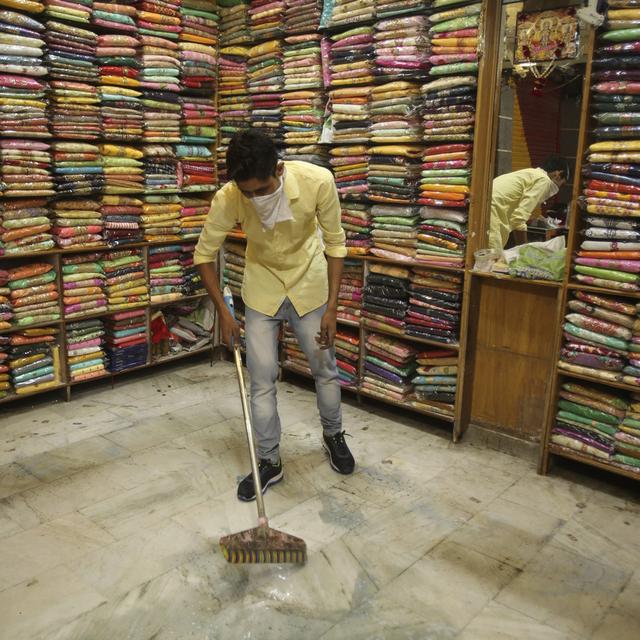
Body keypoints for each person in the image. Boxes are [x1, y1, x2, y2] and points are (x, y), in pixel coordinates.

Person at [194, 129, 355, 502]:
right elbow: (203, 255)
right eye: (247, 192)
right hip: (262, 290)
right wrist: (224, 313)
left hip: (310, 287)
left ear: (278, 170)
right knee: (261, 380)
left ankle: (333, 436)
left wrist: (332, 307)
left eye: (261, 190)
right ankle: (269, 460)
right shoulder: (231, 196)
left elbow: (335, 243)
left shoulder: (317, 182)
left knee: (324, 369)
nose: (254, 198)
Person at [488, 155, 569, 252]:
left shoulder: (532, 173)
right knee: (492, 255)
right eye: (562, 184)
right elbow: (519, 218)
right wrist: (524, 250)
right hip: (494, 208)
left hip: (488, 203)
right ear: (558, 174)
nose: (559, 188)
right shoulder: (544, 181)